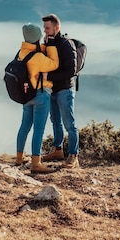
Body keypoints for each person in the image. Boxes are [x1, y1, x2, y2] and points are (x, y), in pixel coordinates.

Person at [15, 23, 59, 174]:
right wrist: (51, 45)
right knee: (38, 130)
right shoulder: (38, 57)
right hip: (40, 95)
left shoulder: (21, 52)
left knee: (24, 127)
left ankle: (19, 158)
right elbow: (54, 64)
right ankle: (36, 163)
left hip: (26, 95)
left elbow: (35, 56)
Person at [41, 13, 80, 168]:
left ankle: (73, 156)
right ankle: (57, 150)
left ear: (57, 27)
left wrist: (49, 76)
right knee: (55, 121)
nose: (45, 31)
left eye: (48, 28)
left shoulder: (66, 44)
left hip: (65, 89)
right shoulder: (49, 43)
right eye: (44, 28)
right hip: (53, 89)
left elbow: (71, 70)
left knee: (69, 124)